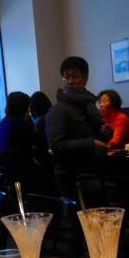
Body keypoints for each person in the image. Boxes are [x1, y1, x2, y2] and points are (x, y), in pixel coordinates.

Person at [45, 56, 111, 199]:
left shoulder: (90, 104)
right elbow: (56, 146)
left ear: (85, 78)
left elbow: (99, 136)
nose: (70, 81)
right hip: (71, 176)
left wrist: (107, 133)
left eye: (75, 76)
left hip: (95, 171)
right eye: (66, 76)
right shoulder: (58, 110)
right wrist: (91, 144)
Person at [0, 91, 36, 188]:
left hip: (10, 171)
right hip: (21, 172)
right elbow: (31, 144)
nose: (29, 111)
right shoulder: (18, 127)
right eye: (27, 108)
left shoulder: (4, 124)